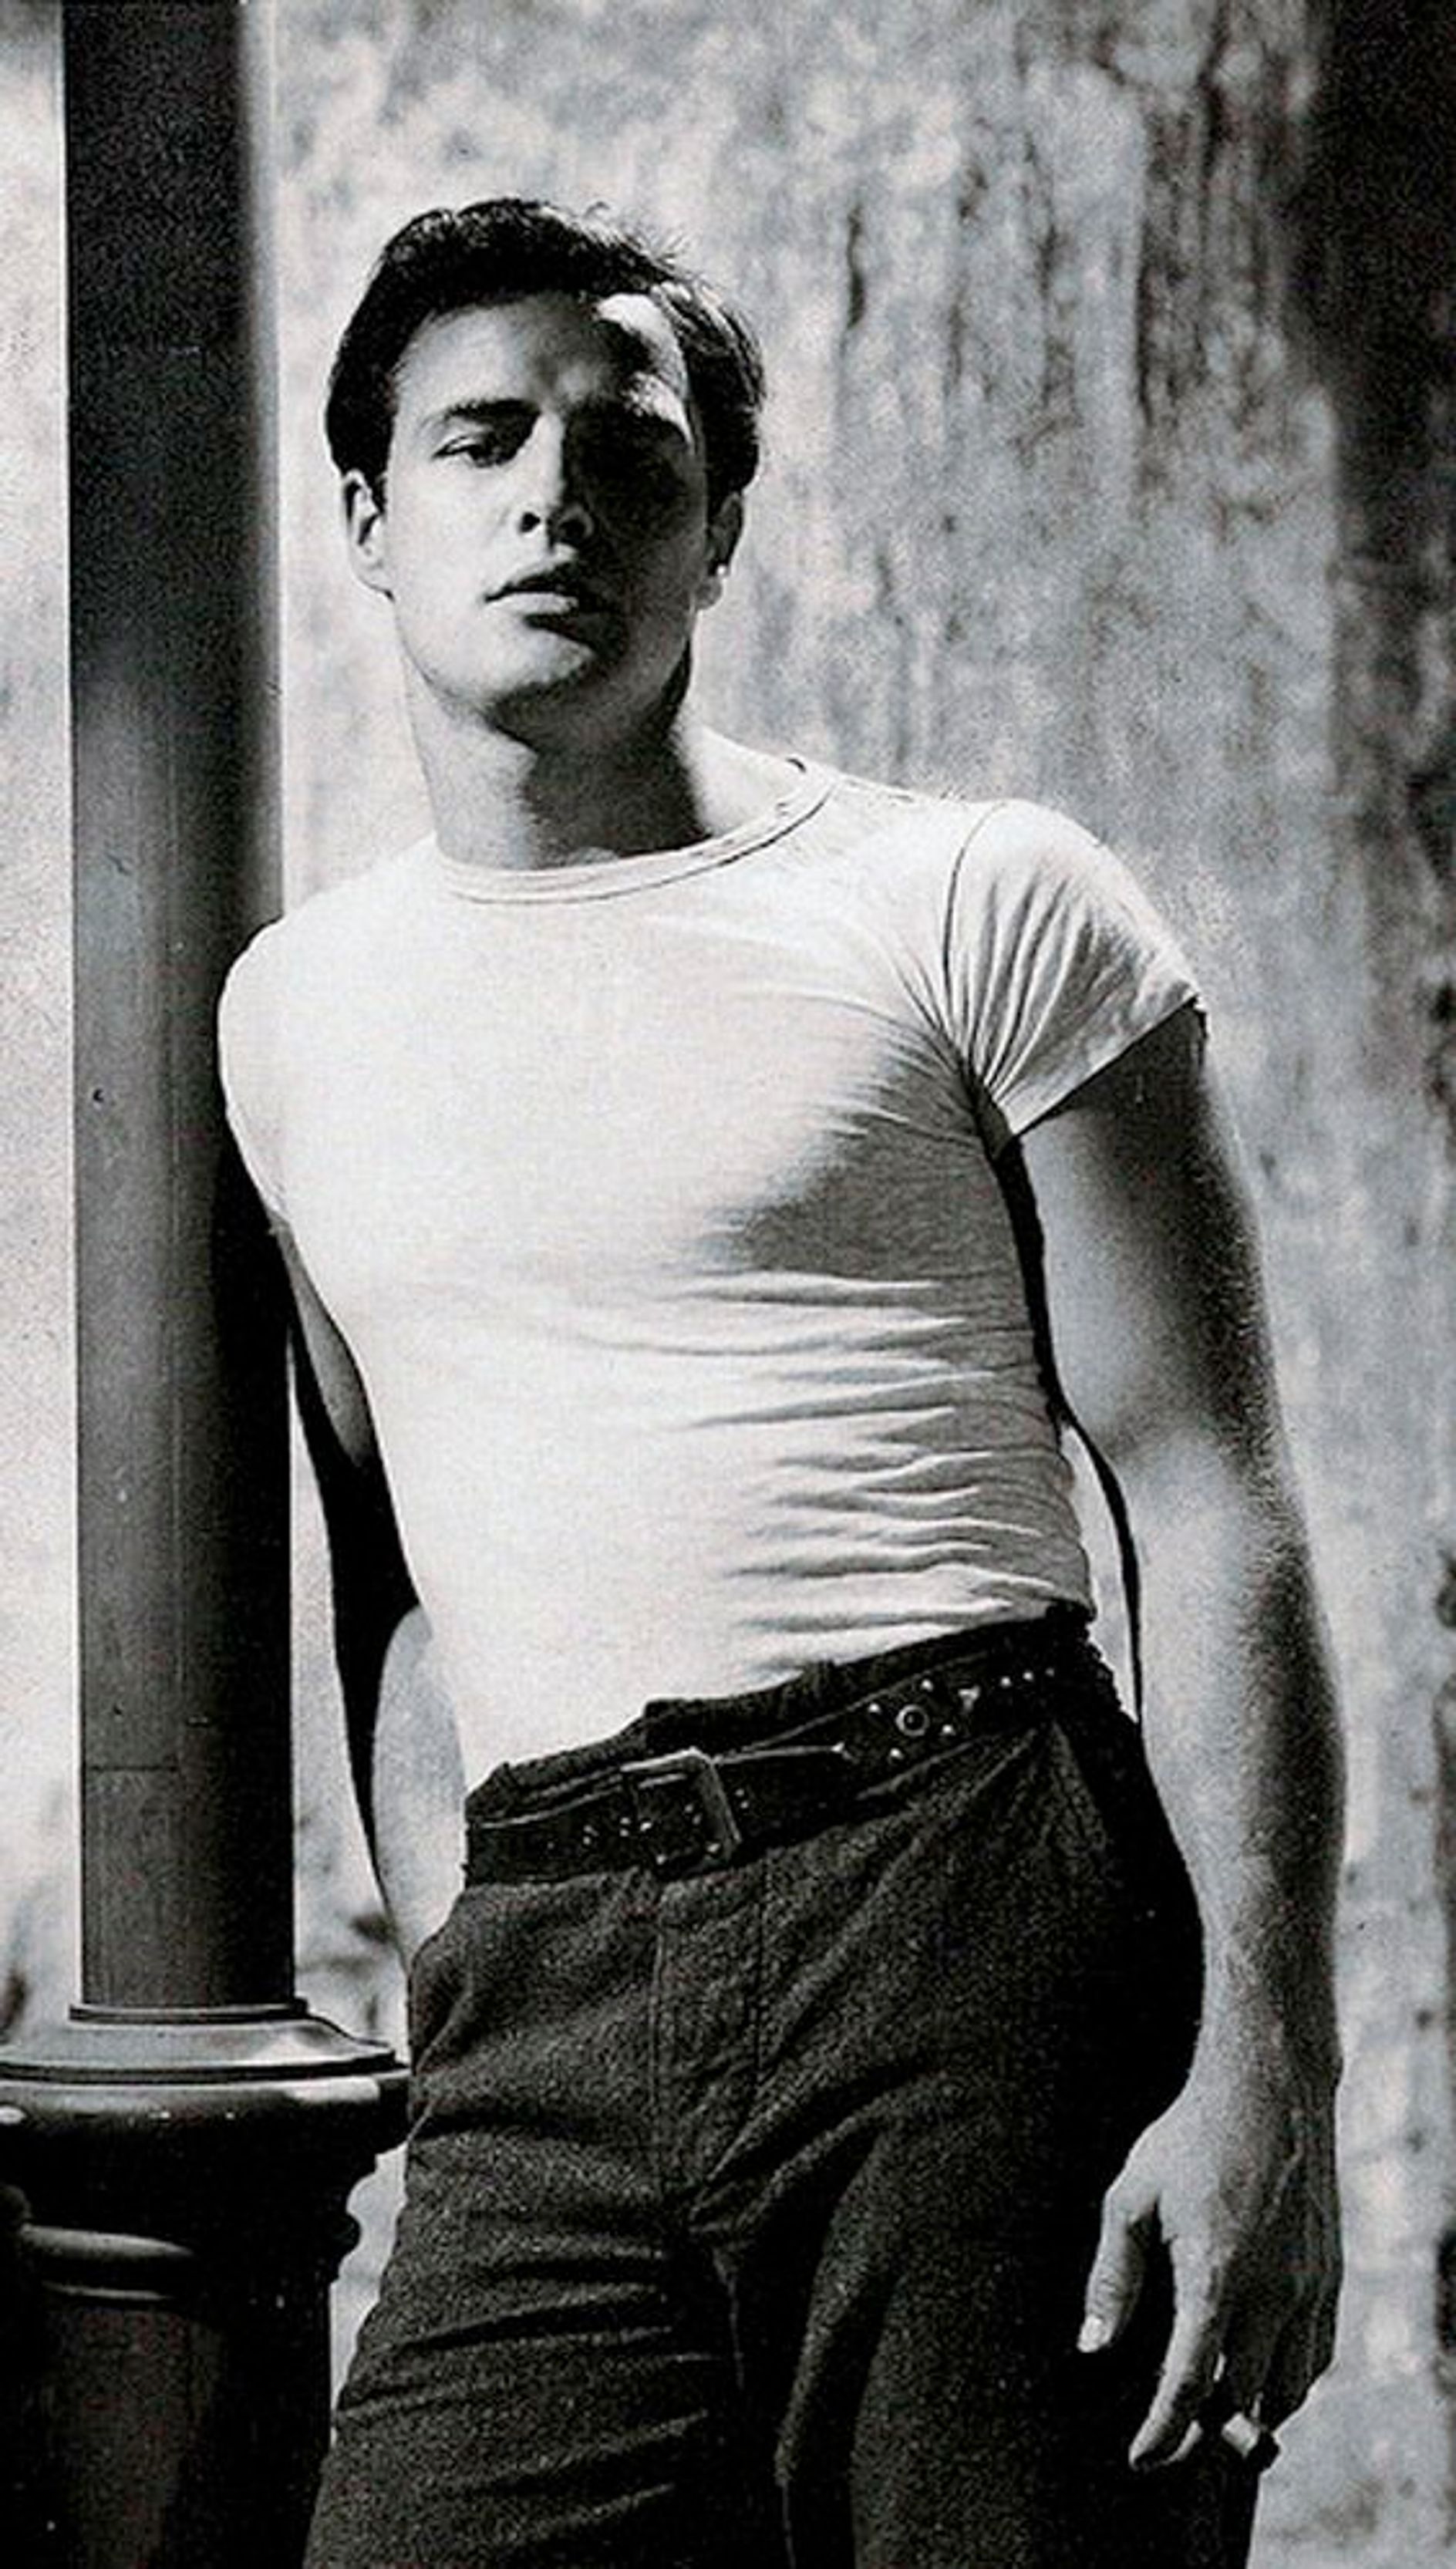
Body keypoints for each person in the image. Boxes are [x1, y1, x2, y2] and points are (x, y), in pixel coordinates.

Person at [218, 197, 1343, 2568]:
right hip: (548, 1971)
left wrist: (1273, 2074)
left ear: (717, 526)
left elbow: (1210, 1494)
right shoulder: (292, 1016)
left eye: (627, 450)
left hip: (961, 1891)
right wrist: (460, 1968)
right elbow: (400, 1579)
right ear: (371, 520)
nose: (553, 498)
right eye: (479, 441)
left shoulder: (975, 897)